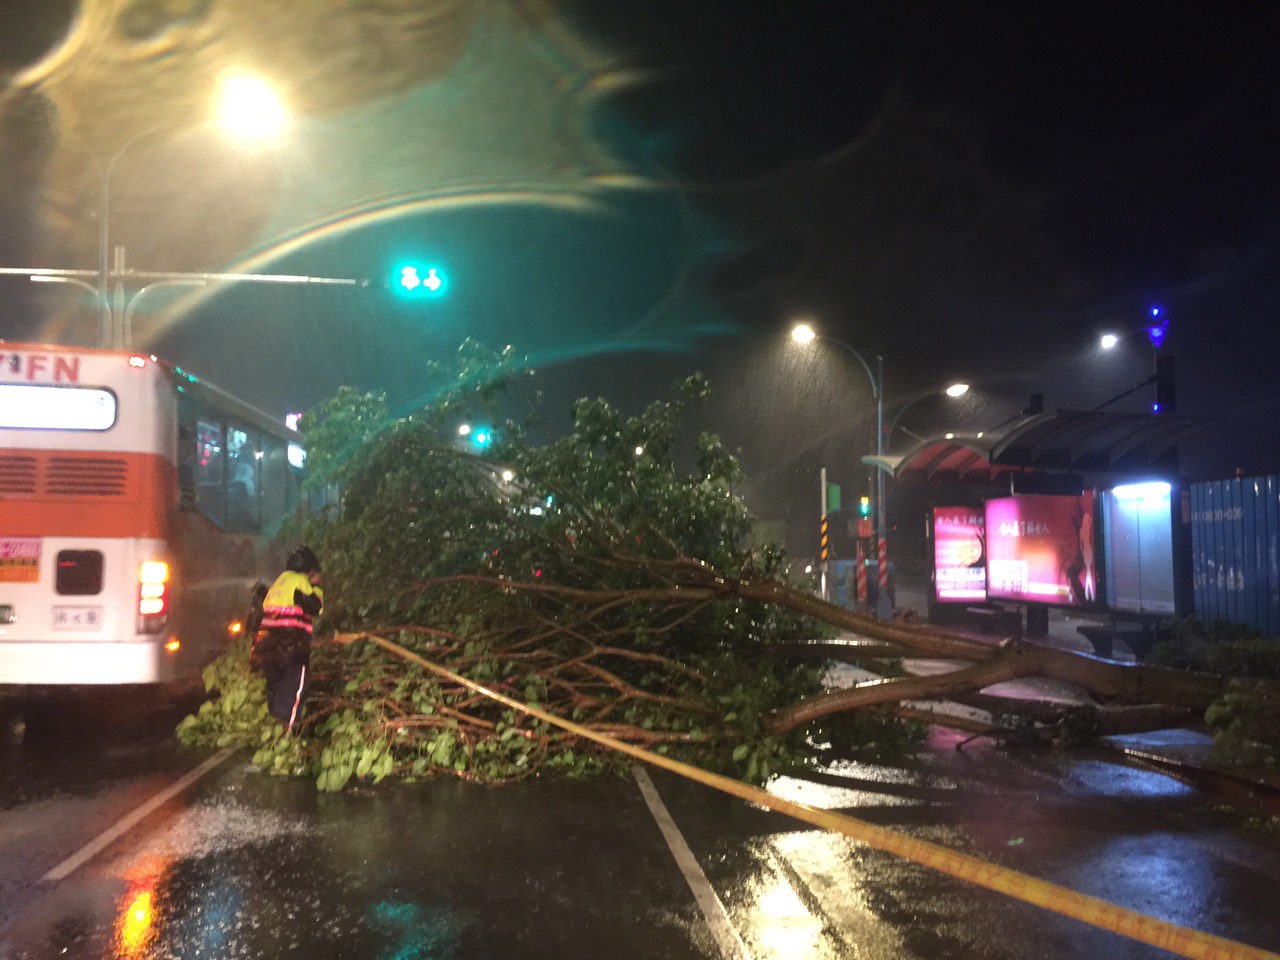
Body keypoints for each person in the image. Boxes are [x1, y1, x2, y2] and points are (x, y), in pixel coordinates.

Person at [253, 545, 324, 732]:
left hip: (268, 650)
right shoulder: (300, 581)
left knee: (275, 691)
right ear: (309, 571)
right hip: (292, 649)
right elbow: (316, 606)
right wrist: (316, 587)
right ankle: (286, 737)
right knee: (293, 693)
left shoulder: (278, 583)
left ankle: (274, 731)